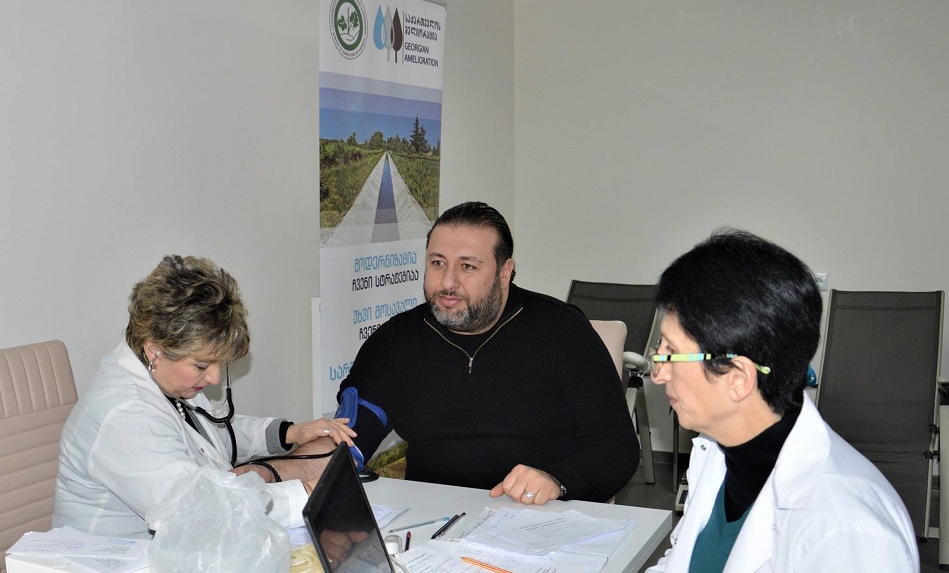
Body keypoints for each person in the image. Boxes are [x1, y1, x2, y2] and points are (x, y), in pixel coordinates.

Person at [530, 230, 925, 573]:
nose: (658, 372)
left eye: (670, 353)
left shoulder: (847, 522)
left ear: (738, 377)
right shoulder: (722, 453)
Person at [336, 201, 639, 503]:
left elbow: (617, 447)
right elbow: (352, 435)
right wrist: (317, 455)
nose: (448, 282)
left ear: (504, 272)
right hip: (433, 517)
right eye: (437, 263)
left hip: (542, 514)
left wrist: (558, 480)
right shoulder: (397, 339)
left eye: (467, 266)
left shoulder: (561, 329)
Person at [54, 255, 356, 538]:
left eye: (219, 365)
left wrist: (289, 433)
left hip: (177, 556)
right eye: (201, 366)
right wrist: (307, 494)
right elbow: (201, 514)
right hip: (115, 568)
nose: (213, 378)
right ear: (154, 350)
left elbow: (211, 436)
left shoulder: (165, 377)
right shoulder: (123, 415)